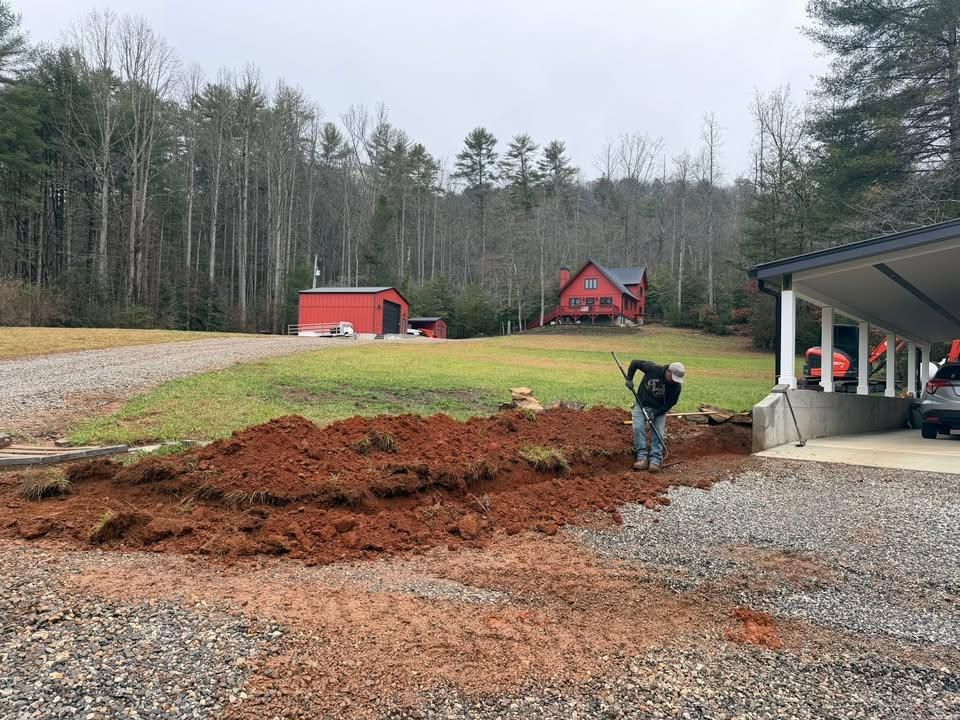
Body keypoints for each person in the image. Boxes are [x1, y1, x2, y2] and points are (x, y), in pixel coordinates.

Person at [625, 360, 686, 472]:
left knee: (658, 432)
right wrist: (629, 379)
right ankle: (642, 458)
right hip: (641, 403)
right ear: (668, 372)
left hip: (659, 409)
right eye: (673, 377)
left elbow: (670, 403)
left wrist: (655, 413)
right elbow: (634, 363)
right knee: (638, 428)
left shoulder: (676, 387)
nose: (674, 381)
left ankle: (655, 460)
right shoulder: (653, 368)